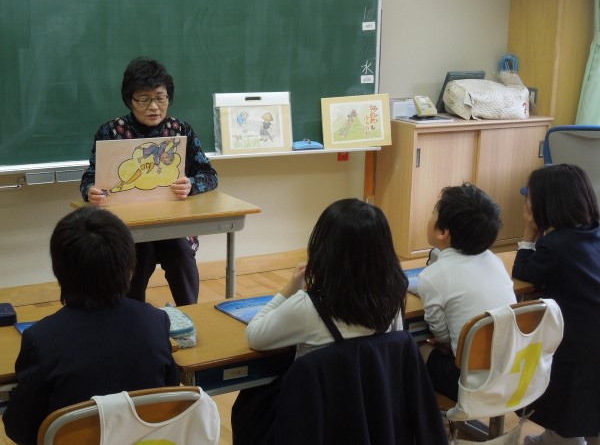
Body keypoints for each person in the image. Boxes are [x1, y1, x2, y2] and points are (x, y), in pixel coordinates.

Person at [232, 198, 411, 444]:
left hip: (314, 421)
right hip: (370, 416)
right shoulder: (394, 297)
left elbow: (255, 335)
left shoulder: (309, 307)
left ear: (325, 249)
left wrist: (289, 289)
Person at [2, 206, 180, 445]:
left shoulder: (41, 339)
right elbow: (169, 396)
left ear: (58, 271)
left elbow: (19, 429)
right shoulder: (155, 321)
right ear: (130, 270)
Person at [80, 56, 218, 306]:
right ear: (129, 100)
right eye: (144, 99)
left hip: (172, 222)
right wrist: (90, 190)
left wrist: (191, 185)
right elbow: (90, 178)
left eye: (160, 98)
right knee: (137, 257)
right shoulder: (111, 132)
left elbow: (209, 175)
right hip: (129, 225)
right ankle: (133, 317)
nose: (154, 106)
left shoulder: (180, 130)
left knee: (181, 253)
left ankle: (193, 313)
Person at [512, 164, 600, 445]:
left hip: (578, 342)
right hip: (592, 334)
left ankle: (562, 439)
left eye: (530, 198)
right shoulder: (593, 232)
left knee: (565, 405)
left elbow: (525, 271)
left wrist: (529, 232)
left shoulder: (556, 245)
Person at [418, 183, 517, 401]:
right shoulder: (495, 261)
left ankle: (424, 418)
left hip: (468, 385)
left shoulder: (432, 277)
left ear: (443, 232)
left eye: (433, 213)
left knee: (414, 348)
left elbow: (442, 337)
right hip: (512, 377)